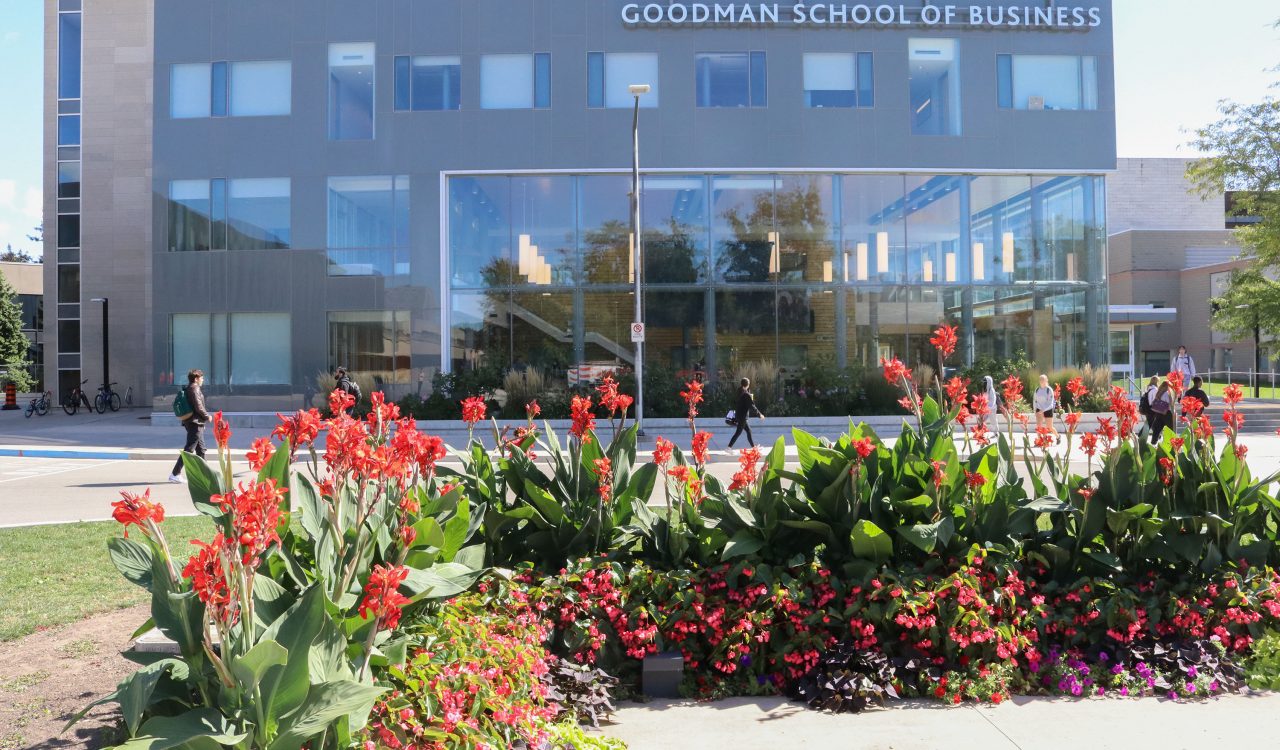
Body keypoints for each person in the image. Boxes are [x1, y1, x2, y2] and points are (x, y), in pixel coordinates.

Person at [169, 369, 210, 484]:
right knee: (189, 449)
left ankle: (205, 475)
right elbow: (198, 406)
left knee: (201, 450)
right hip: (194, 423)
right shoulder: (194, 388)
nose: (203, 379)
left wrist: (203, 422)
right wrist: (207, 416)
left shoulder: (190, 387)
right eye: (201, 377)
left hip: (196, 423)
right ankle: (175, 473)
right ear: (196, 378)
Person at [727, 377, 765, 449]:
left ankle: (753, 447)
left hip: (739, 415)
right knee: (738, 433)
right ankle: (729, 447)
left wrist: (748, 394)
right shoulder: (746, 394)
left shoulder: (739, 391)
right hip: (743, 417)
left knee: (748, 431)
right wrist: (759, 414)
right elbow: (752, 406)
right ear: (748, 384)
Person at [1033, 374, 1058, 441]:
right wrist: (1035, 410)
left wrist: (1043, 410)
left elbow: (1050, 403)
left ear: (1046, 380)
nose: (1042, 381)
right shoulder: (1037, 390)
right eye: (1040, 379)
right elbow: (1035, 401)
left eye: (1043, 379)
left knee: (1049, 427)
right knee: (1038, 427)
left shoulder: (1049, 390)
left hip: (1048, 409)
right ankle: (1040, 440)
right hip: (1039, 409)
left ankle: (1058, 437)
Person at [1148, 379, 1175, 444]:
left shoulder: (1158, 392)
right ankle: (1170, 443)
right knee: (1170, 429)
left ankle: (1153, 442)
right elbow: (1170, 404)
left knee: (1157, 430)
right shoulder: (1167, 393)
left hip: (1159, 413)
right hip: (1166, 413)